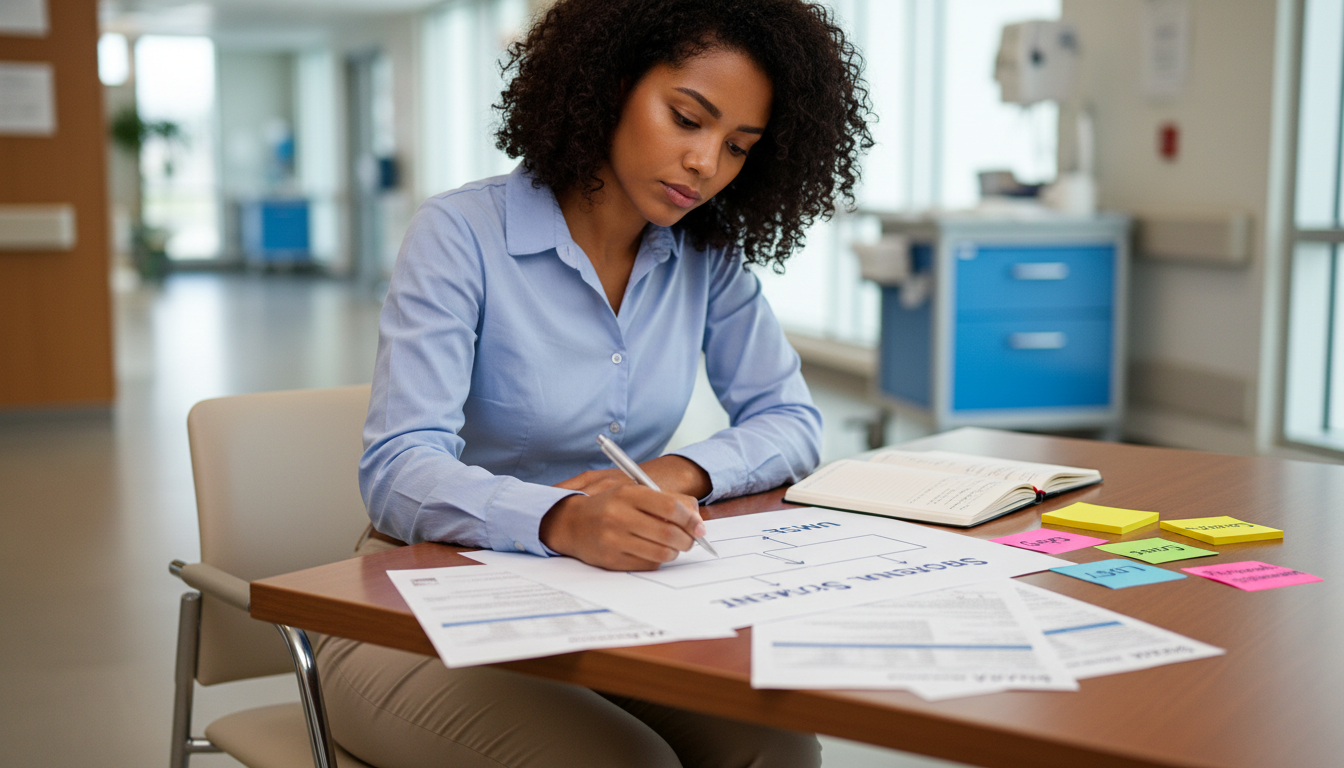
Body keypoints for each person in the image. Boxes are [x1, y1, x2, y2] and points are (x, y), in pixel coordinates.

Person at [316, 0, 873, 766]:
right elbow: (398, 469)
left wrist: (677, 474)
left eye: (739, 145)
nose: (707, 163)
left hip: (604, 598)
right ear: (610, 84)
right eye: (687, 118)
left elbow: (791, 420)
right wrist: (565, 518)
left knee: (780, 750)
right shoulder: (459, 235)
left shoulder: (705, 255)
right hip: (418, 605)